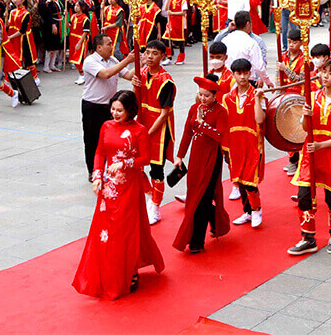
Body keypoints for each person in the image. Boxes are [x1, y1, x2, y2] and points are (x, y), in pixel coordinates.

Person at [73, 90, 165, 300]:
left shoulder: (139, 130)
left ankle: (130, 268)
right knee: (106, 229)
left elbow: (145, 159)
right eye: (113, 109)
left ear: (130, 110)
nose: (115, 113)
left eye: (119, 110)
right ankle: (108, 269)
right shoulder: (106, 126)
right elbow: (100, 152)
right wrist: (97, 175)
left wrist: (125, 163)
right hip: (108, 187)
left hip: (129, 185)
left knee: (125, 229)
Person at [289, 59, 331, 255]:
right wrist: (306, 116)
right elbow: (304, 127)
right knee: (304, 196)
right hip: (311, 155)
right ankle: (308, 238)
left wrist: (321, 145)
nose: (324, 76)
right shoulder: (312, 97)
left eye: (330, 73)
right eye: (323, 71)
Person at [172, 76, 231, 253]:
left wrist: (203, 124)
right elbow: (187, 134)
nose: (203, 99)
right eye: (200, 95)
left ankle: (196, 241)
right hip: (196, 158)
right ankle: (216, 222)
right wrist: (180, 156)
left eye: (206, 96)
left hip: (211, 159)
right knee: (195, 197)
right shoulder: (193, 108)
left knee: (203, 199)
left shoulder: (220, 112)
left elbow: (220, 136)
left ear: (214, 96)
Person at [133, 40, 177, 225]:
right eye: (147, 52)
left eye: (154, 53)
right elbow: (137, 101)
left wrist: (148, 133)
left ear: (162, 56)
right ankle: (150, 194)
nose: (149, 56)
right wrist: (135, 85)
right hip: (142, 124)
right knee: (137, 165)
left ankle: (156, 207)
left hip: (158, 129)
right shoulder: (141, 73)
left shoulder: (166, 81)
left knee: (156, 169)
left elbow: (164, 113)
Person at [80, 34, 136, 180]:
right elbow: (105, 74)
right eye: (109, 44)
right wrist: (127, 60)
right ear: (99, 47)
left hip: (110, 107)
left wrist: (140, 61)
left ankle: (107, 167)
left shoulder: (112, 60)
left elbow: (128, 75)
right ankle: (93, 171)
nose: (112, 46)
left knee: (110, 139)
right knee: (92, 140)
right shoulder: (90, 61)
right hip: (92, 106)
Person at [223, 59, 267, 229]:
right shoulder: (227, 98)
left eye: (245, 73)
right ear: (233, 75)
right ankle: (247, 211)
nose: (242, 77)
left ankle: (257, 209)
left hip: (252, 142)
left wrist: (257, 98)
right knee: (239, 179)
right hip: (235, 144)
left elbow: (259, 119)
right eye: (238, 73)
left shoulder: (258, 95)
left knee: (250, 180)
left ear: (250, 73)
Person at [217, 11, 271, 85]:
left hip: (228, 79)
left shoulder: (225, 39)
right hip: (245, 80)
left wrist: (261, 78)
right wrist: (267, 81)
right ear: (248, 24)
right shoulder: (251, 42)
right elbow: (258, 66)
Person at [6, 0, 39, 86]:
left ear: (23, 0)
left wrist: (10, 37)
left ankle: (35, 77)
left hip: (24, 39)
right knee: (15, 57)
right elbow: (8, 24)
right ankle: (15, 78)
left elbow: (22, 30)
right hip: (14, 38)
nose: (15, 1)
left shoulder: (26, 13)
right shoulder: (12, 12)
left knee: (28, 58)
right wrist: (6, 17)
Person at [163, 0, 188, 65]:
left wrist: (173, 13)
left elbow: (183, 12)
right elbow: (166, 8)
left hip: (180, 22)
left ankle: (181, 58)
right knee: (166, 39)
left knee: (180, 41)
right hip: (170, 22)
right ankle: (169, 57)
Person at [68, 0, 91, 85]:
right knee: (73, 58)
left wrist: (79, 43)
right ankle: (81, 74)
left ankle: (82, 74)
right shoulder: (73, 16)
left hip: (80, 39)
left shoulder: (85, 19)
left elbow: (85, 32)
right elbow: (68, 27)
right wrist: (66, 17)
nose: (76, 7)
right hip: (72, 38)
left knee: (79, 58)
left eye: (78, 6)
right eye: (75, 6)